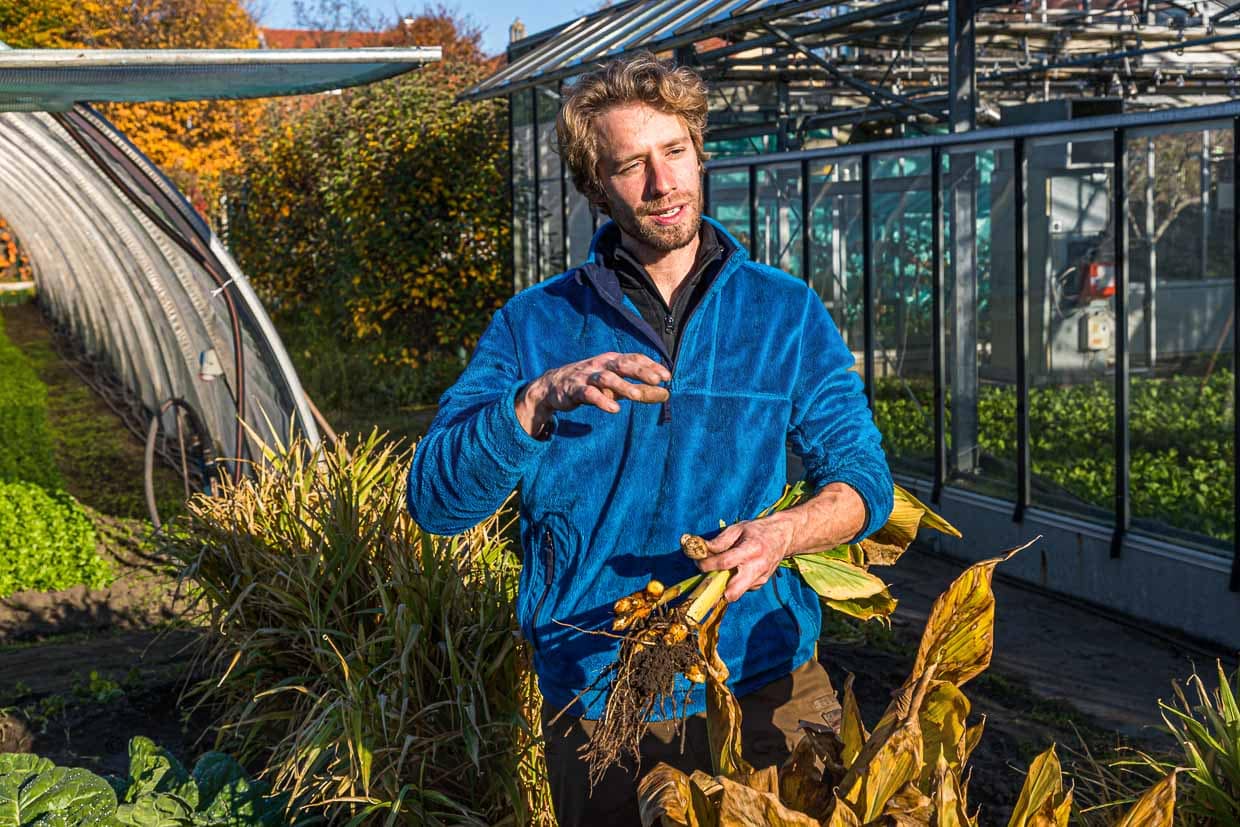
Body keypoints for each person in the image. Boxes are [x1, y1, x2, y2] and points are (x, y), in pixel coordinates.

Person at [406, 52, 893, 826]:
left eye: (674, 152)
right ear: (595, 186)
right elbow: (435, 501)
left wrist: (784, 533)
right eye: (632, 165)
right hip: (604, 696)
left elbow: (863, 477)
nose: (664, 185)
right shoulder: (534, 325)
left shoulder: (784, 312)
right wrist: (534, 400)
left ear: (700, 151)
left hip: (767, 680)